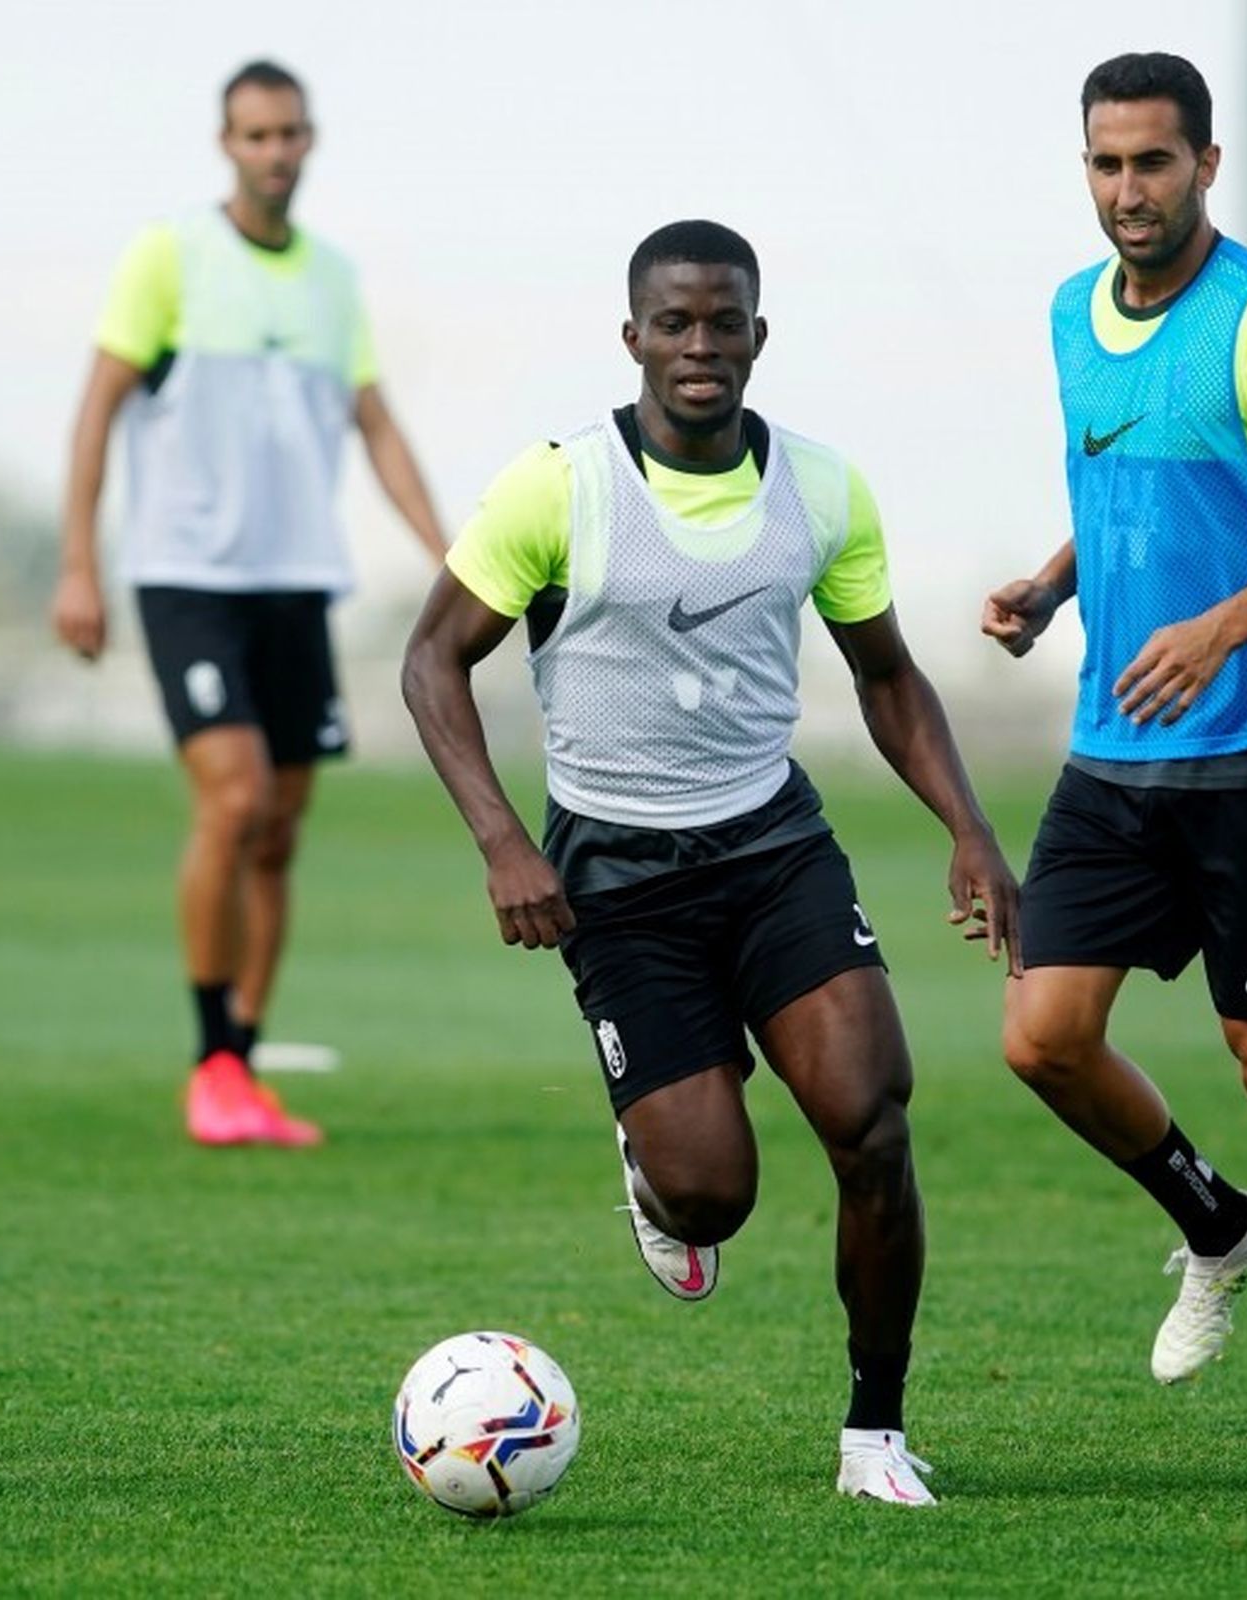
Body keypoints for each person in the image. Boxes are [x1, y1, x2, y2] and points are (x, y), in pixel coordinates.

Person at [403, 219, 1018, 1504]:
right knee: (710, 1197)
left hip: (773, 845)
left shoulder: (822, 489)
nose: (699, 346)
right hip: (617, 879)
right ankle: (655, 1163)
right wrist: (505, 840)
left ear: (757, 334)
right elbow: (431, 661)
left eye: (722, 321)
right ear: (631, 336)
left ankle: (873, 1429)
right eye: (673, 323)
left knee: (872, 1120)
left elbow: (888, 675)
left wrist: (967, 828)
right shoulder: (557, 486)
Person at [983, 53, 1247, 1443]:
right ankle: (1221, 1226)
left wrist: (1220, 630)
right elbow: (1128, 471)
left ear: (1205, 166)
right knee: (1042, 1039)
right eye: (1105, 165)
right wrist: (1055, 587)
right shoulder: (1066, 313)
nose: (1127, 192)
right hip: (1115, 754)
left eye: (1153, 163)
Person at [52, 59, 448, 1147]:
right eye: (256, 134)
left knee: (277, 829)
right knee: (229, 801)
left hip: (294, 581)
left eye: (290, 133)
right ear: (227, 144)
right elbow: (95, 412)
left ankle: (243, 1058)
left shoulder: (333, 279)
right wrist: (77, 561)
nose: (276, 151)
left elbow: (375, 424)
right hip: (187, 576)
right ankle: (212, 1061)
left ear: (310, 141)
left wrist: (449, 554)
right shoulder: (169, 256)